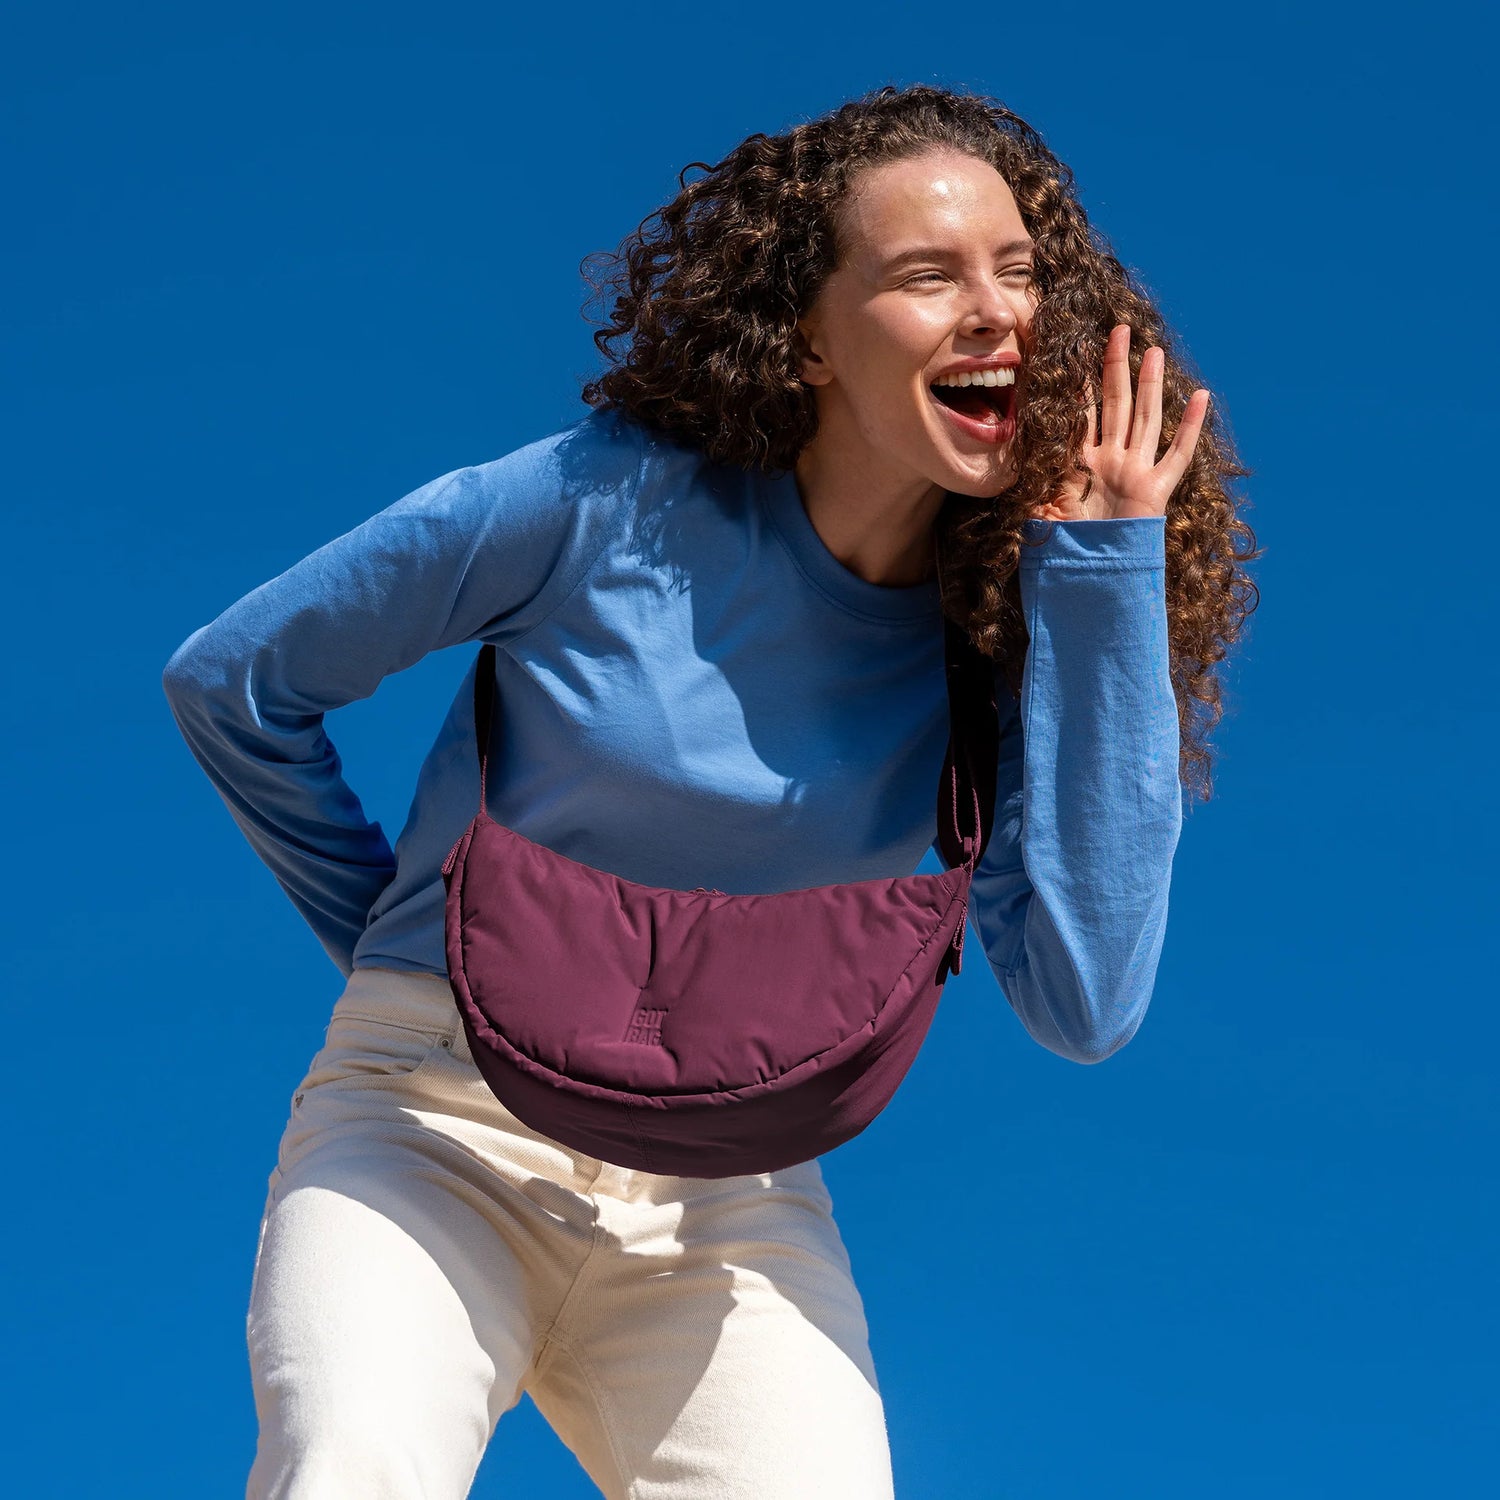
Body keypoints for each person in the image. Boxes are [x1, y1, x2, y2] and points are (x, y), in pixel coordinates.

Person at [162, 83, 1258, 1500]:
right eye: (929, 276)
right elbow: (233, 683)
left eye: (1021, 272)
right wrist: (398, 939)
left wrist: (1104, 583)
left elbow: (1086, 1002)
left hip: (725, 1202)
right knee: (351, 1465)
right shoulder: (592, 502)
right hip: (428, 1124)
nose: (995, 312)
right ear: (807, 335)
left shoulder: (990, 650)